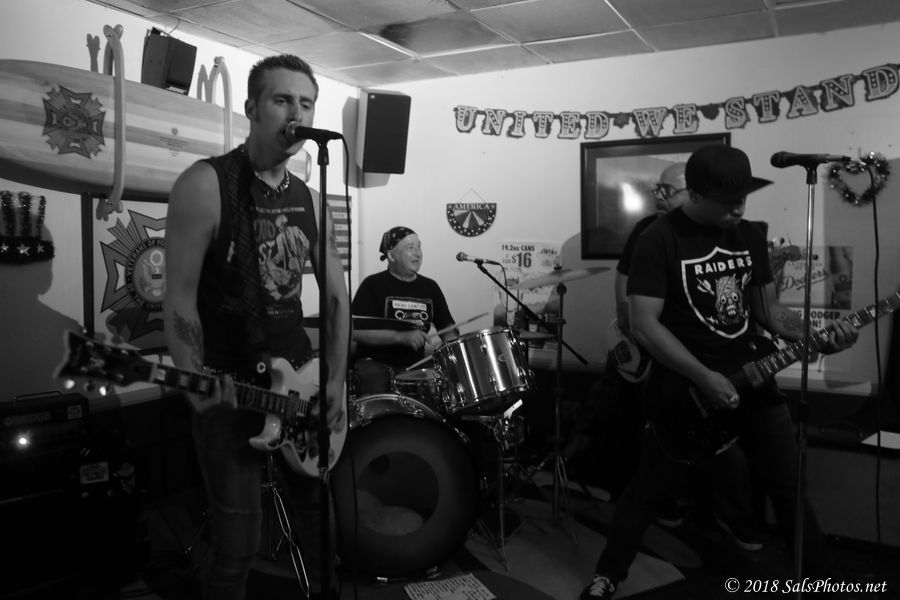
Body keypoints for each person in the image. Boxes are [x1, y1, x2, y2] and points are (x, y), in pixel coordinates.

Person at [580, 145, 859, 599]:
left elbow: (768, 311)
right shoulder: (659, 238)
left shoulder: (747, 235)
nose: (739, 208)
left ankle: (818, 581)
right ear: (693, 194)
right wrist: (701, 376)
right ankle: (608, 575)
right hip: (683, 389)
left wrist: (815, 333)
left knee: (789, 488)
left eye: (743, 197)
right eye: (727, 201)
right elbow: (644, 324)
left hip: (751, 378)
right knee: (647, 488)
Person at [163, 54, 349, 600]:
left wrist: (335, 381)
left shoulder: (310, 198)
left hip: (303, 388)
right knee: (237, 549)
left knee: (322, 535)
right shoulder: (205, 184)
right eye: (282, 99)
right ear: (252, 107)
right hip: (229, 386)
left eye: (306, 103)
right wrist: (194, 380)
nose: (296, 113)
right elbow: (179, 296)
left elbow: (336, 296)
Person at [350, 226, 457, 382]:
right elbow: (354, 332)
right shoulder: (372, 285)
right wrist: (400, 337)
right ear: (391, 256)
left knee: (443, 380)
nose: (418, 253)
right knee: (373, 377)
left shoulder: (430, 287)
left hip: (415, 364)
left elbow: (447, 328)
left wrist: (449, 345)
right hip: (375, 363)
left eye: (419, 246)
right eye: (410, 248)